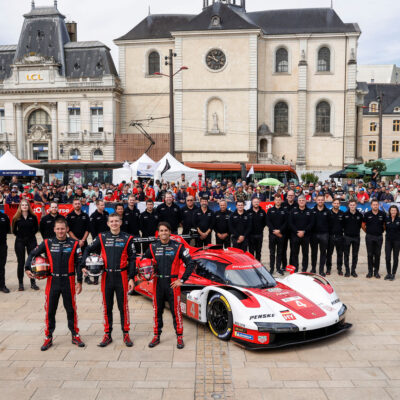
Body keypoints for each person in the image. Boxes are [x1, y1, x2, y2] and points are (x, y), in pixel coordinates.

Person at [25, 218, 84, 351]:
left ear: (67, 229)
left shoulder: (74, 244)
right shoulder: (48, 242)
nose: (60, 231)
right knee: (50, 310)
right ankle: (48, 337)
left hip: (69, 281)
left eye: (63, 228)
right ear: (54, 229)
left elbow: (79, 264)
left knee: (71, 310)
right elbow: (32, 254)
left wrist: (79, 281)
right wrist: (27, 267)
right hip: (52, 281)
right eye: (58, 228)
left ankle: (75, 334)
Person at [82, 213, 136, 347]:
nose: (114, 223)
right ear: (108, 223)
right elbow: (88, 249)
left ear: (121, 222)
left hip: (122, 276)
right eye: (111, 221)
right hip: (106, 276)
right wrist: (84, 264)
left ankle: (126, 334)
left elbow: (133, 259)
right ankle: (107, 334)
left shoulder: (128, 238)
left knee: (123, 306)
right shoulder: (102, 237)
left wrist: (131, 278)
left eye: (116, 221)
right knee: (107, 306)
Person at [142, 222, 196, 349]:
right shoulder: (152, 247)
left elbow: (191, 263)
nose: (164, 233)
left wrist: (182, 280)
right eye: (161, 230)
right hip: (158, 284)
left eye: (166, 230)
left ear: (170, 232)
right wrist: (144, 274)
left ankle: (179, 337)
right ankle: (156, 336)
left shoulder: (178, 246)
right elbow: (144, 260)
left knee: (176, 312)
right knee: (157, 311)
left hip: (173, 284)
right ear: (158, 232)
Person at [12, 199, 39, 291]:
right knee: (21, 262)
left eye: (26, 205)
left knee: (32, 262)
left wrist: (29, 235)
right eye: (23, 205)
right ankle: (21, 284)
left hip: (31, 241)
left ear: (28, 206)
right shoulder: (16, 217)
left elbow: (36, 229)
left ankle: (33, 282)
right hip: (20, 241)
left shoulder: (33, 217)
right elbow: (14, 230)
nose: (24, 206)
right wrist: (21, 236)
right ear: (20, 206)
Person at [66, 198, 90, 284]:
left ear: (81, 204)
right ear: (73, 205)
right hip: (73, 242)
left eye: (79, 203)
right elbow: (69, 231)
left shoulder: (85, 216)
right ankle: (74, 278)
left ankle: (86, 277)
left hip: (84, 242)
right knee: (74, 260)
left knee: (85, 259)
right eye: (75, 204)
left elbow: (88, 229)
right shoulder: (69, 216)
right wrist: (77, 241)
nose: (77, 205)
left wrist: (83, 240)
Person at [289, 196, 314, 273]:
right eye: (300, 200)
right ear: (298, 201)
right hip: (295, 236)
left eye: (303, 200)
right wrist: (297, 231)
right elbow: (290, 223)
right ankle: (295, 268)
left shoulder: (310, 211)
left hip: (306, 236)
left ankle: (304, 269)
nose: (301, 201)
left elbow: (311, 223)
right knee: (294, 253)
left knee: (305, 253)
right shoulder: (293, 211)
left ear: (306, 201)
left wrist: (304, 231)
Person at [362, 199, 386, 278]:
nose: (375, 206)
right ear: (371, 205)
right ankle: (370, 272)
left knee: (378, 254)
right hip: (369, 236)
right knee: (369, 254)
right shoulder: (367, 214)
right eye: (374, 205)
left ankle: (376, 272)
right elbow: (363, 225)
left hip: (379, 237)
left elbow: (385, 225)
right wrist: (367, 231)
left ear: (378, 205)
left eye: (376, 205)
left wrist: (381, 231)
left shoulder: (382, 214)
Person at [265, 194, 286, 275]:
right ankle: (271, 268)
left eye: (279, 200)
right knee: (272, 252)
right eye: (276, 200)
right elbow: (268, 222)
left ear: (281, 201)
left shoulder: (284, 211)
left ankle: (278, 268)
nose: (277, 201)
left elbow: (286, 222)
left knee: (280, 252)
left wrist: (280, 231)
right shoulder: (270, 210)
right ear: (274, 201)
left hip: (281, 235)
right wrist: (274, 231)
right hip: (272, 235)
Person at [310, 194, 330, 275]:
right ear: (316, 201)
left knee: (323, 253)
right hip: (314, 235)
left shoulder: (328, 211)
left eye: (322, 200)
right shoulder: (312, 211)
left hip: (324, 235)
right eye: (319, 200)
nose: (320, 201)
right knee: (313, 253)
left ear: (324, 201)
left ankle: (321, 270)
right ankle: (313, 268)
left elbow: (330, 224)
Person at [343, 199, 363, 277]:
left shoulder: (360, 215)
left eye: (353, 205)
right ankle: (347, 271)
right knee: (346, 255)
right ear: (348, 205)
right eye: (351, 205)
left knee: (355, 255)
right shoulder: (345, 214)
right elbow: (343, 226)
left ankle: (353, 270)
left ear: (356, 205)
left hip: (356, 237)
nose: (352, 206)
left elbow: (360, 225)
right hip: (347, 237)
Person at [326, 199, 345, 276]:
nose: (336, 204)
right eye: (335, 203)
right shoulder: (328, 213)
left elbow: (344, 225)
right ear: (332, 204)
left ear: (339, 204)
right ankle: (328, 269)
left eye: (338, 203)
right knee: (329, 254)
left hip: (340, 237)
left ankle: (339, 269)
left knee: (340, 254)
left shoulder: (342, 214)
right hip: (330, 237)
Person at [281, 190, 297, 269]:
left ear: (294, 196)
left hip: (293, 231)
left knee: (293, 249)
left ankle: (291, 265)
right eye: (289, 195)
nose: (290, 197)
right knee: (283, 249)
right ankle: (284, 266)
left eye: (292, 195)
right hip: (284, 231)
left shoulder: (297, 205)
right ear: (286, 196)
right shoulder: (282, 205)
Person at [384, 205, 400, 281]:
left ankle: (393, 274)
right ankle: (388, 273)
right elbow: (383, 228)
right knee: (387, 257)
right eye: (392, 210)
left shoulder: (399, 219)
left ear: (397, 211)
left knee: (395, 258)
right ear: (389, 211)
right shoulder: (386, 219)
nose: (393, 212)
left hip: (397, 241)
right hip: (388, 241)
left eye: (394, 210)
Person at [0, 211, 10, 293]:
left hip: (2, 245)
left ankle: (2, 285)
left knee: (1, 266)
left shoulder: (4, 217)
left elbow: (7, 230)